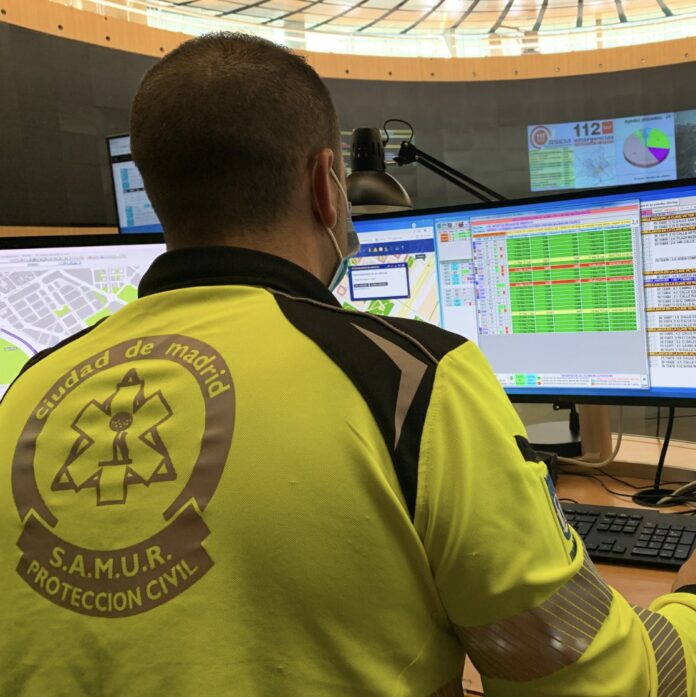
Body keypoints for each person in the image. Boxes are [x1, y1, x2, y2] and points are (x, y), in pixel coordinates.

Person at [1, 32, 695, 697]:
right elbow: (593, 681)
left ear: (157, 194)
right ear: (326, 185)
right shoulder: (414, 380)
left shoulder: (26, 393)